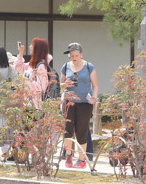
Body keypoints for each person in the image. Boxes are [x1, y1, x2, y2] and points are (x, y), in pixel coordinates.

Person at [59, 42, 97, 170]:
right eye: (71, 55)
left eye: (76, 55)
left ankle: (82, 160)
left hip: (85, 103)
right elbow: (60, 85)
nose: (74, 58)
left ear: (81, 54)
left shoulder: (88, 66)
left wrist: (94, 97)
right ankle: (68, 155)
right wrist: (65, 84)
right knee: (67, 130)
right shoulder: (65, 67)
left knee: (82, 130)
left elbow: (95, 85)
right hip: (69, 102)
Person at [13, 38, 53, 109]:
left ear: (38, 49)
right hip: (28, 104)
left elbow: (41, 88)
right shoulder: (33, 64)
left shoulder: (41, 66)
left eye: (32, 45)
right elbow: (18, 68)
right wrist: (21, 53)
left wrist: (26, 80)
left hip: (36, 106)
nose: (30, 47)